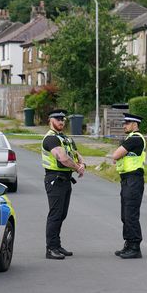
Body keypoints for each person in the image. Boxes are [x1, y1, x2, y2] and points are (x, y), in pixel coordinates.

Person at [41, 109, 85, 260]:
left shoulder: (65, 138)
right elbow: (63, 158)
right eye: (58, 119)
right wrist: (77, 167)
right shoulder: (51, 139)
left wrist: (82, 163)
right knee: (55, 214)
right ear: (50, 120)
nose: (61, 122)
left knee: (62, 214)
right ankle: (51, 248)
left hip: (65, 179)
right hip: (55, 179)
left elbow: (75, 153)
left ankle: (57, 245)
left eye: (63, 119)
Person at [111, 113, 146, 259]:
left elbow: (115, 155)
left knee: (131, 214)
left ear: (134, 125)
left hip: (134, 180)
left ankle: (135, 247)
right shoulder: (129, 139)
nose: (124, 126)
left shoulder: (135, 139)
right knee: (125, 215)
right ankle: (128, 244)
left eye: (127, 123)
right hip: (127, 180)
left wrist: (118, 154)